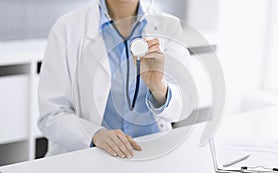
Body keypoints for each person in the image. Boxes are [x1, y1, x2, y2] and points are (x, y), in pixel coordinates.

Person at [38, 0, 192, 159]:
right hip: (93, 155)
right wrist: (94, 134)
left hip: (151, 151)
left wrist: (158, 86)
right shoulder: (67, 28)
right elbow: (51, 115)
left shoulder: (169, 26)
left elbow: (184, 105)